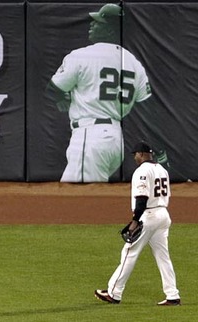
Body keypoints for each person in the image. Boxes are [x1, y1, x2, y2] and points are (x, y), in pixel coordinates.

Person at [46, 3, 152, 182]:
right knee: (90, 199)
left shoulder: (82, 55)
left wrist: (63, 99)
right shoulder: (133, 62)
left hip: (90, 137)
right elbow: (146, 104)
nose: (91, 25)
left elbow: (53, 89)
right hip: (116, 139)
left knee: (76, 199)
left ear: (111, 30)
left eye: (98, 22)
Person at [94, 141, 181, 306]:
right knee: (163, 257)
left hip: (148, 216)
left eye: (135, 154)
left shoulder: (141, 171)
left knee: (129, 252)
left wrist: (135, 220)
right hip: (163, 214)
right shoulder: (162, 169)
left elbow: (142, 198)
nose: (134, 157)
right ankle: (172, 295)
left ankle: (114, 293)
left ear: (141, 154)